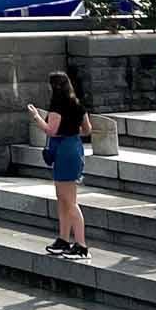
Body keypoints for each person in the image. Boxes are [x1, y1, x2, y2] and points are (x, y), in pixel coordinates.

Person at [26, 71, 91, 259]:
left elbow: (51, 131)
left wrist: (36, 116)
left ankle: (81, 245)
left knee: (69, 200)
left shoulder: (57, 106)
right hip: (75, 147)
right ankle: (63, 239)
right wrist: (71, 129)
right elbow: (87, 130)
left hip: (63, 150)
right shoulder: (78, 104)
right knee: (62, 197)